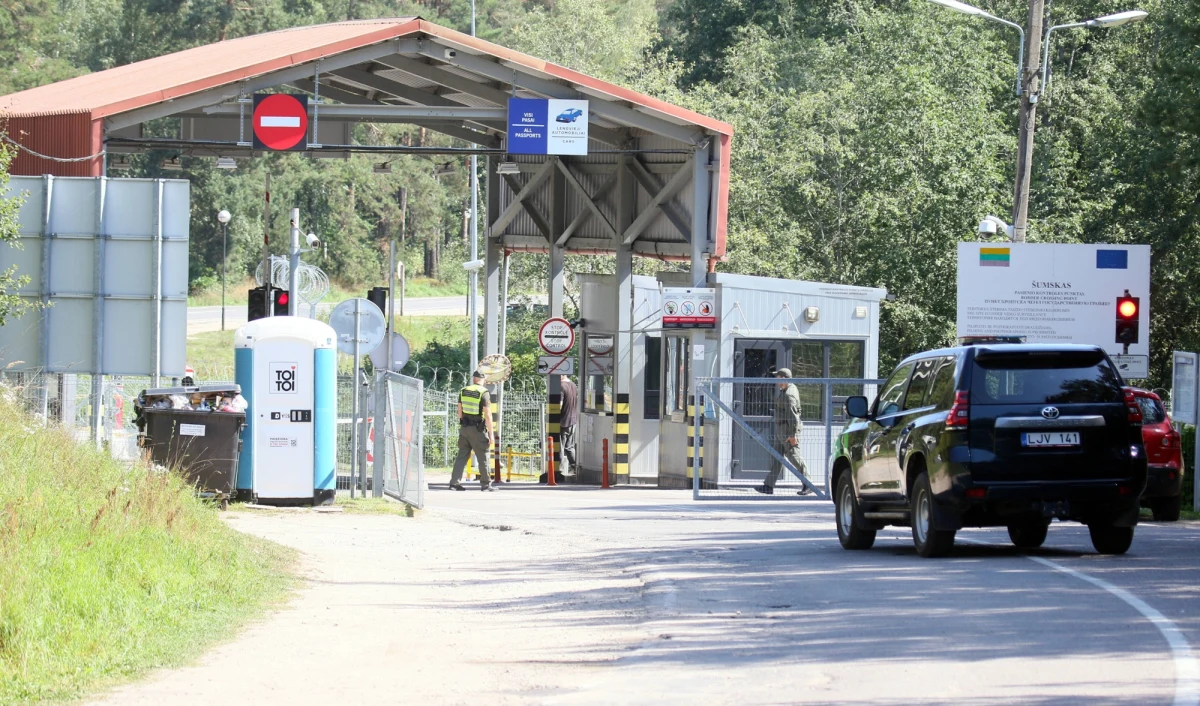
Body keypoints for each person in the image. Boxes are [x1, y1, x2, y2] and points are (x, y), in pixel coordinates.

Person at [756, 368, 811, 496]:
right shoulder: (785, 390)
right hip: (781, 429)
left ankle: (808, 484)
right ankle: (768, 486)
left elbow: (793, 416)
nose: (776, 379)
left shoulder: (789, 394)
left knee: (794, 457)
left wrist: (793, 435)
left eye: (778, 377)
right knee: (776, 457)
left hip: (787, 430)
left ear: (784, 378)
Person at [449, 370, 495, 492]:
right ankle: (486, 484)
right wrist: (491, 434)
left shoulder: (463, 391)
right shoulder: (483, 392)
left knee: (462, 456)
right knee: (483, 456)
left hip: (464, 428)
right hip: (477, 429)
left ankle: (454, 483)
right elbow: (488, 415)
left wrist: (463, 423)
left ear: (474, 378)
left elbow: (459, 411)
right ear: (483, 379)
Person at [558, 375, 579, 475]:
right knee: (569, 447)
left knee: (560, 447)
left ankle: (559, 470)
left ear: (562, 375)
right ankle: (575, 467)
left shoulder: (561, 386)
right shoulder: (574, 385)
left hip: (563, 421)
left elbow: (559, 405)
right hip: (573, 420)